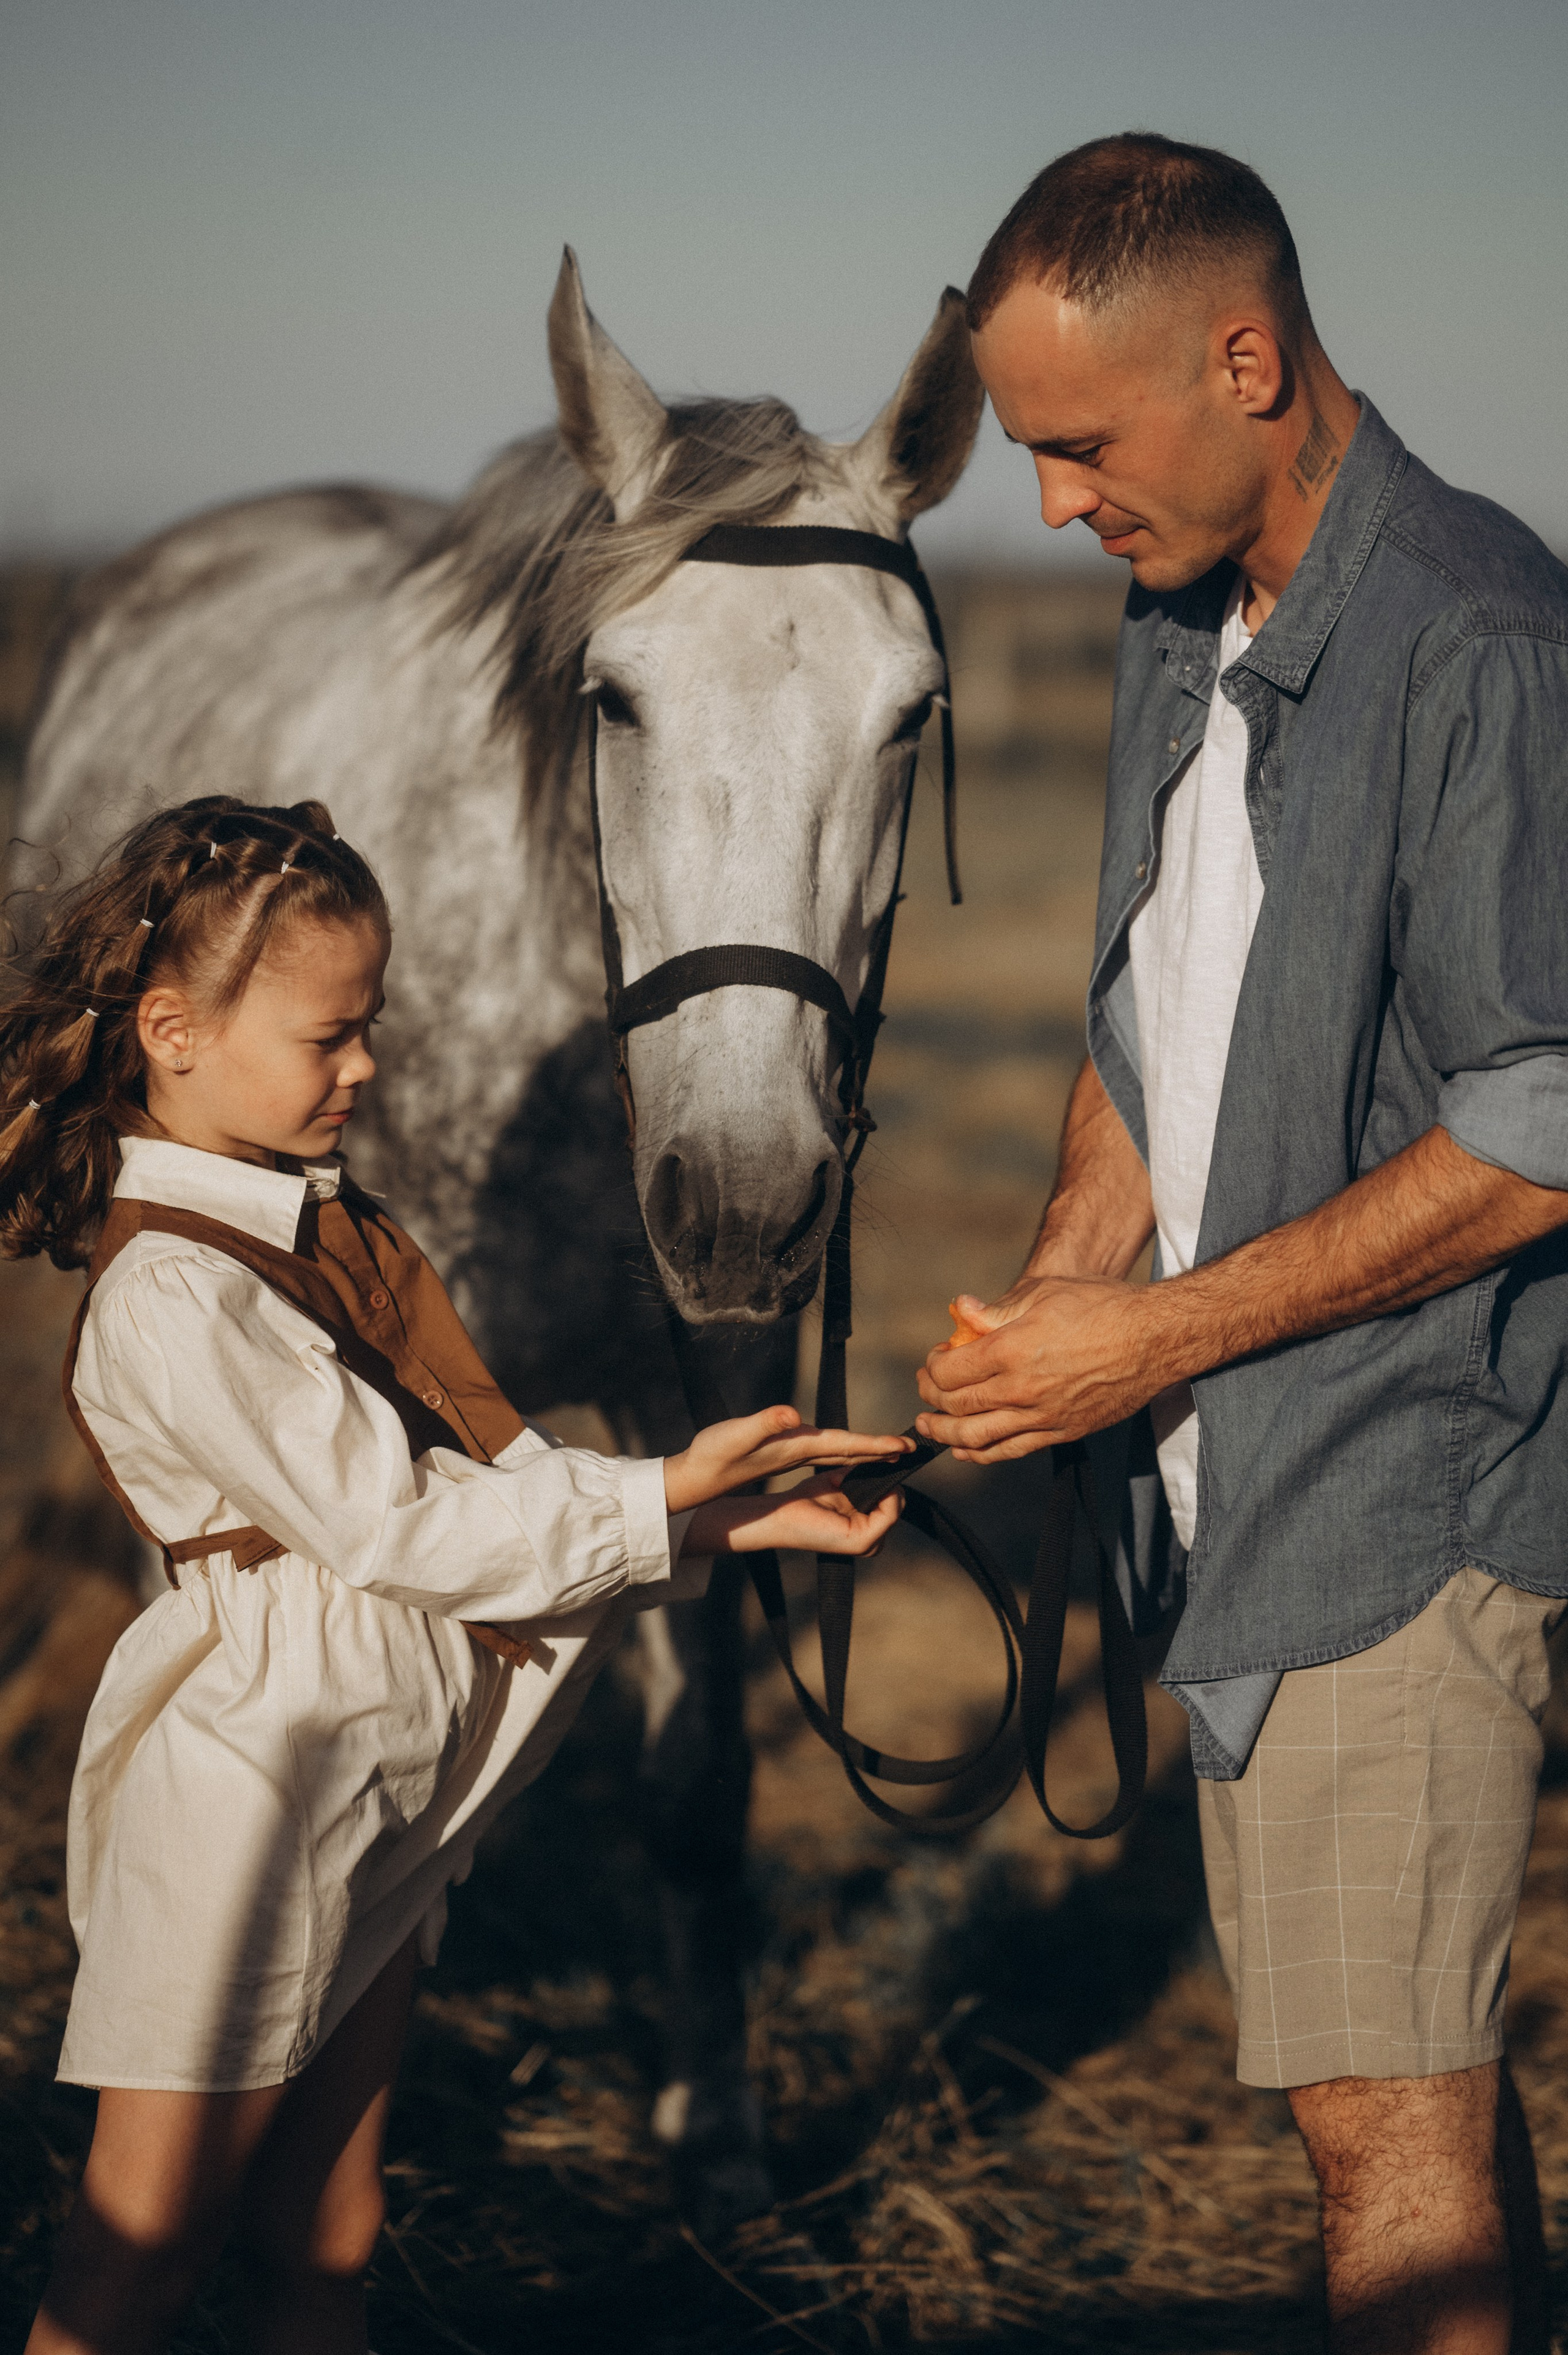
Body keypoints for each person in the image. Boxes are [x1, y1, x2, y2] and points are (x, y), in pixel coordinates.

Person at [916, 135, 1568, 2355]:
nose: (1053, 503)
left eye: (1081, 443)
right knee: (1406, 2097)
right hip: (1236, 1475)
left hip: (1398, 1495)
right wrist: (1062, 1302)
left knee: (1388, 2148)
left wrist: (1153, 1338)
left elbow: (1540, 1132)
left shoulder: (1480, 637)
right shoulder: (1182, 614)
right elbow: (1153, 1014)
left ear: (1248, 361)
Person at [1, 793, 909, 2355]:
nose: (364, 1066)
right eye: (327, 1035)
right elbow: (400, 1529)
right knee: (138, 2255)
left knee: (328, 2229)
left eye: (370, 1025)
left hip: (377, 1786)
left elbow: (467, 1486)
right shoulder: (175, 1291)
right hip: (255, 1802)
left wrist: (720, 1518)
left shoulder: (318, 1229)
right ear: (173, 1031)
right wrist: (657, 1490)